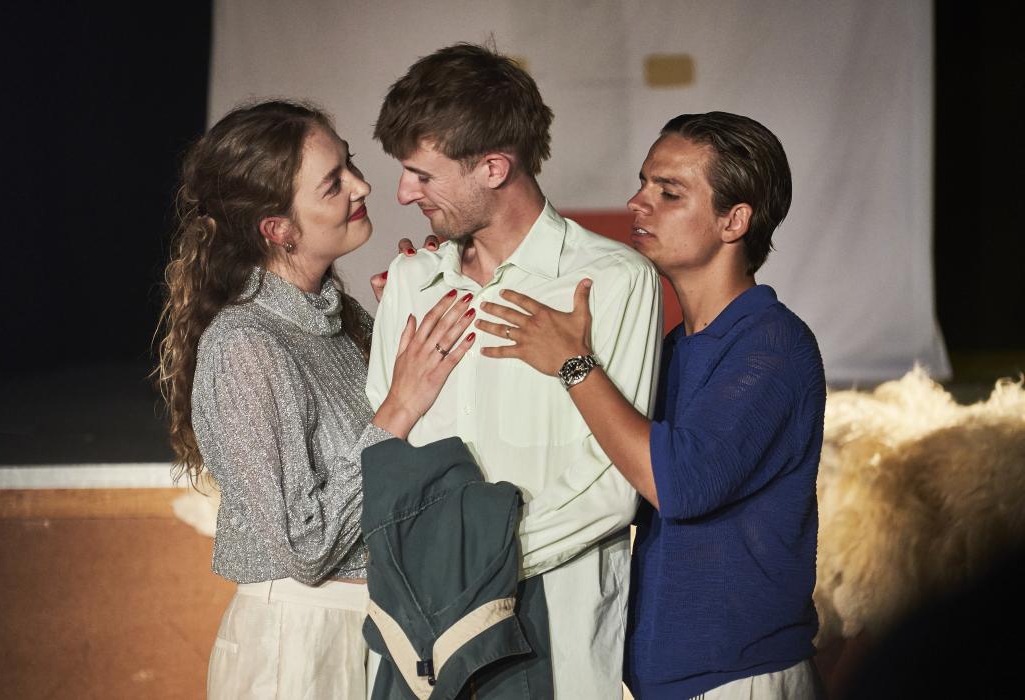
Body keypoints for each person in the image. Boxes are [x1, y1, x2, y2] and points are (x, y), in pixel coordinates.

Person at [477, 112, 826, 699]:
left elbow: (678, 484)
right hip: (669, 680)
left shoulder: (774, 345)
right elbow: (611, 475)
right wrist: (441, 284)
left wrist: (575, 363)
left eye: (669, 192)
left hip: (741, 679)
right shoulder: (675, 349)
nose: (638, 202)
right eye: (643, 183)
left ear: (734, 220)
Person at [366, 44, 664, 697]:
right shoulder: (411, 282)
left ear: (494, 168)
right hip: (418, 631)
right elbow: (385, 465)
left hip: (551, 626)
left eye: (421, 174)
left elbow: (614, 487)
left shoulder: (613, 281)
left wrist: (470, 566)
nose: (403, 193)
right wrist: (439, 579)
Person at [154, 100, 476, 700]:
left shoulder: (341, 319)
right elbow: (305, 549)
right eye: (334, 183)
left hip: (377, 627)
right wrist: (398, 407)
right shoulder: (245, 343)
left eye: (350, 163)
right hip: (299, 644)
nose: (362, 185)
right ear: (278, 229)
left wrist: (398, 325)